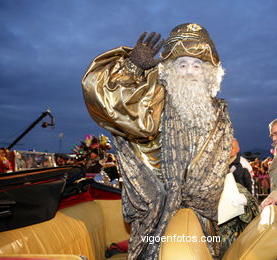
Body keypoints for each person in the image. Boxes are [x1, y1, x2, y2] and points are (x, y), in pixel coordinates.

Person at [82, 23, 235, 259]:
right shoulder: (153, 103)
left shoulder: (218, 112)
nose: (190, 71)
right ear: (171, 69)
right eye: (182, 64)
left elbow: (214, 170)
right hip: (153, 219)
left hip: (198, 222)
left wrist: (186, 209)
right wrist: (132, 68)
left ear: (207, 71)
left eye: (197, 65)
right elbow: (110, 103)